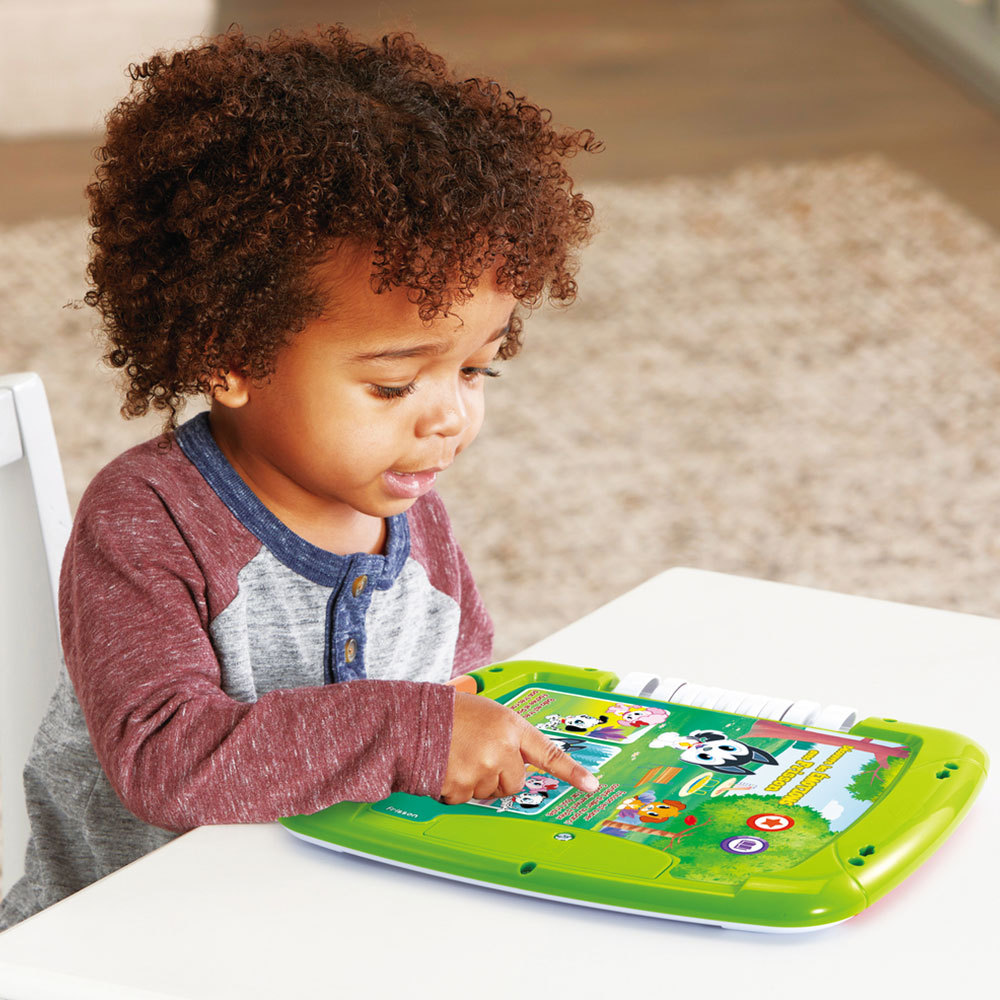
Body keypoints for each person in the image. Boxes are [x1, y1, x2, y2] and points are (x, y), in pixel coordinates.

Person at [0, 24, 601, 928]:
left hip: (329, 921)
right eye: (394, 385)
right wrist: (413, 732)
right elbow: (165, 760)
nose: (449, 417)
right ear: (231, 356)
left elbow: (460, 682)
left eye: (477, 369)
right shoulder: (146, 519)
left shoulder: (410, 508)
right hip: (124, 942)